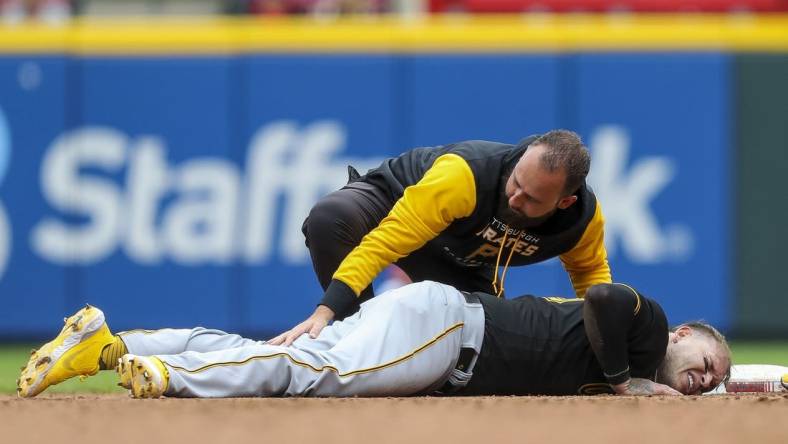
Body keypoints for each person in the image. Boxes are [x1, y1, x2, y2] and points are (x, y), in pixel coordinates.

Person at [17, 282, 730, 399]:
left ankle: (113, 346)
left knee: (286, 354)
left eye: (716, 376)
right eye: (709, 361)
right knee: (310, 374)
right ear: (688, 334)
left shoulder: (650, 372)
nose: (707, 372)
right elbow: (603, 297)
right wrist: (624, 380)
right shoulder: (651, 327)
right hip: (452, 333)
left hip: (439, 330)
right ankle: (170, 378)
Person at [271, 130, 612, 346]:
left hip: (456, 255)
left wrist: (607, 339)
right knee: (331, 218)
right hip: (392, 203)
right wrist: (327, 310)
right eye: (516, 182)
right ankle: (354, 342)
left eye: (532, 198)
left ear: (564, 202)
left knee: (489, 341)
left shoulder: (582, 222)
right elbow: (385, 241)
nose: (515, 198)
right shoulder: (466, 175)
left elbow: (590, 276)